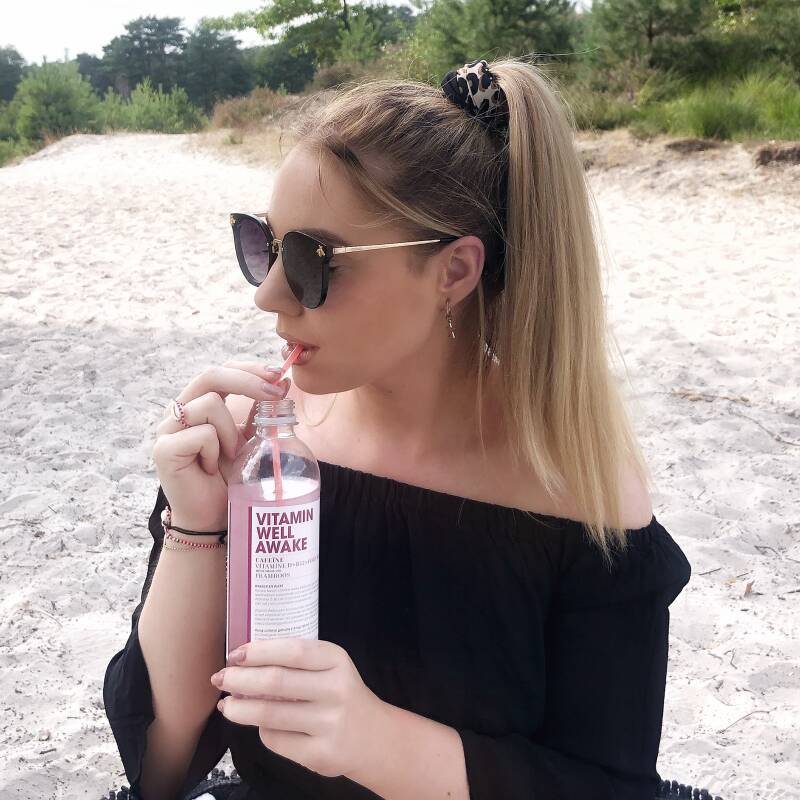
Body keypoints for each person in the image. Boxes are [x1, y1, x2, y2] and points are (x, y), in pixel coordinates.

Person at [103, 56, 692, 800]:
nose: (269, 296)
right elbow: (161, 770)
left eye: (312, 259)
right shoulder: (259, 455)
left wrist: (375, 741)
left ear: (454, 272)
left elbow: (609, 785)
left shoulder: (575, 486)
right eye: (264, 244)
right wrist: (196, 526)